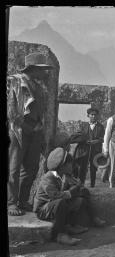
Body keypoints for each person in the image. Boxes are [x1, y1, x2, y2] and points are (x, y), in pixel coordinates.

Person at [7, 52, 54, 216]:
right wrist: (23, 125)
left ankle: (22, 200)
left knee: (31, 168)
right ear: (34, 68)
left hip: (35, 131)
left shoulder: (38, 87)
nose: (45, 73)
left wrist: (39, 131)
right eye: (42, 69)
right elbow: (11, 108)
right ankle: (11, 202)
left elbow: (40, 111)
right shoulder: (14, 81)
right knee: (13, 168)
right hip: (18, 130)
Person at [33, 147, 105, 246]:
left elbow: (75, 189)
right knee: (61, 202)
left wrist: (78, 187)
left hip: (55, 205)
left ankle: (70, 225)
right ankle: (60, 235)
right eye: (70, 163)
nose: (72, 166)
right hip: (43, 209)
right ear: (62, 165)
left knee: (79, 201)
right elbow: (55, 196)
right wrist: (72, 191)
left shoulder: (64, 176)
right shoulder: (48, 178)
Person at [69, 107, 105, 188]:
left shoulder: (100, 127)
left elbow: (102, 139)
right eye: (91, 115)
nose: (93, 116)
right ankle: (81, 185)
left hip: (95, 150)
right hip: (84, 150)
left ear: (97, 116)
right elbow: (78, 135)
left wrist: (95, 141)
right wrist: (84, 141)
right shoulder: (83, 125)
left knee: (93, 168)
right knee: (82, 167)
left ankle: (92, 185)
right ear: (88, 115)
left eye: (95, 115)